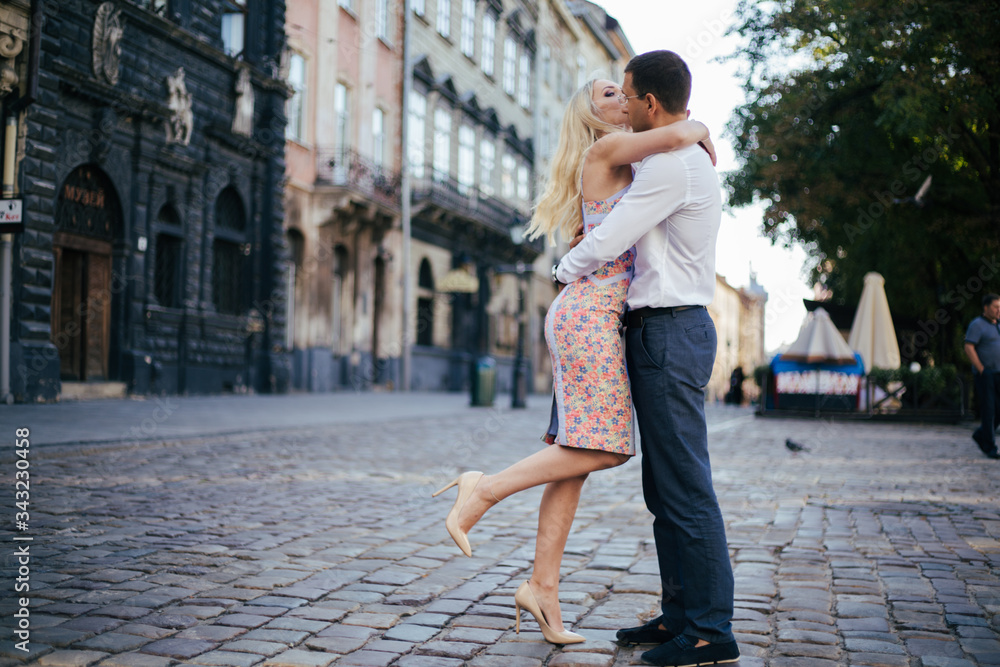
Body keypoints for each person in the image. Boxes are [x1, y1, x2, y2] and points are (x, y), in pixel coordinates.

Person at [432, 78, 714, 645]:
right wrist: (702, 130)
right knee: (602, 448)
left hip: (593, 314)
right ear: (593, 116)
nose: (624, 100)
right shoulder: (605, 149)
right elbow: (685, 127)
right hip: (589, 314)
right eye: (609, 95)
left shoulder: (628, 159)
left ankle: (542, 589)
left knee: (575, 458)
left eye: (626, 92)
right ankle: (482, 489)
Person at [554, 51, 739, 667]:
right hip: (662, 330)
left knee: (685, 485)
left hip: (669, 330)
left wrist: (563, 270)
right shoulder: (670, 157)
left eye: (627, 96)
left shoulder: (669, 168)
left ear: (649, 105)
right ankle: (682, 615)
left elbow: (609, 238)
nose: (624, 106)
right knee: (665, 488)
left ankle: (711, 631)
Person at [964, 293, 1000, 459]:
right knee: (989, 409)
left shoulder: (998, 325)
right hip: (986, 374)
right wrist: (981, 369)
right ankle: (990, 446)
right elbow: (969, 347)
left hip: (999, 373)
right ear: (986, 307)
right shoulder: (977, 325)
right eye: (995, 306)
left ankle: (981, 434)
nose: (999, 310)